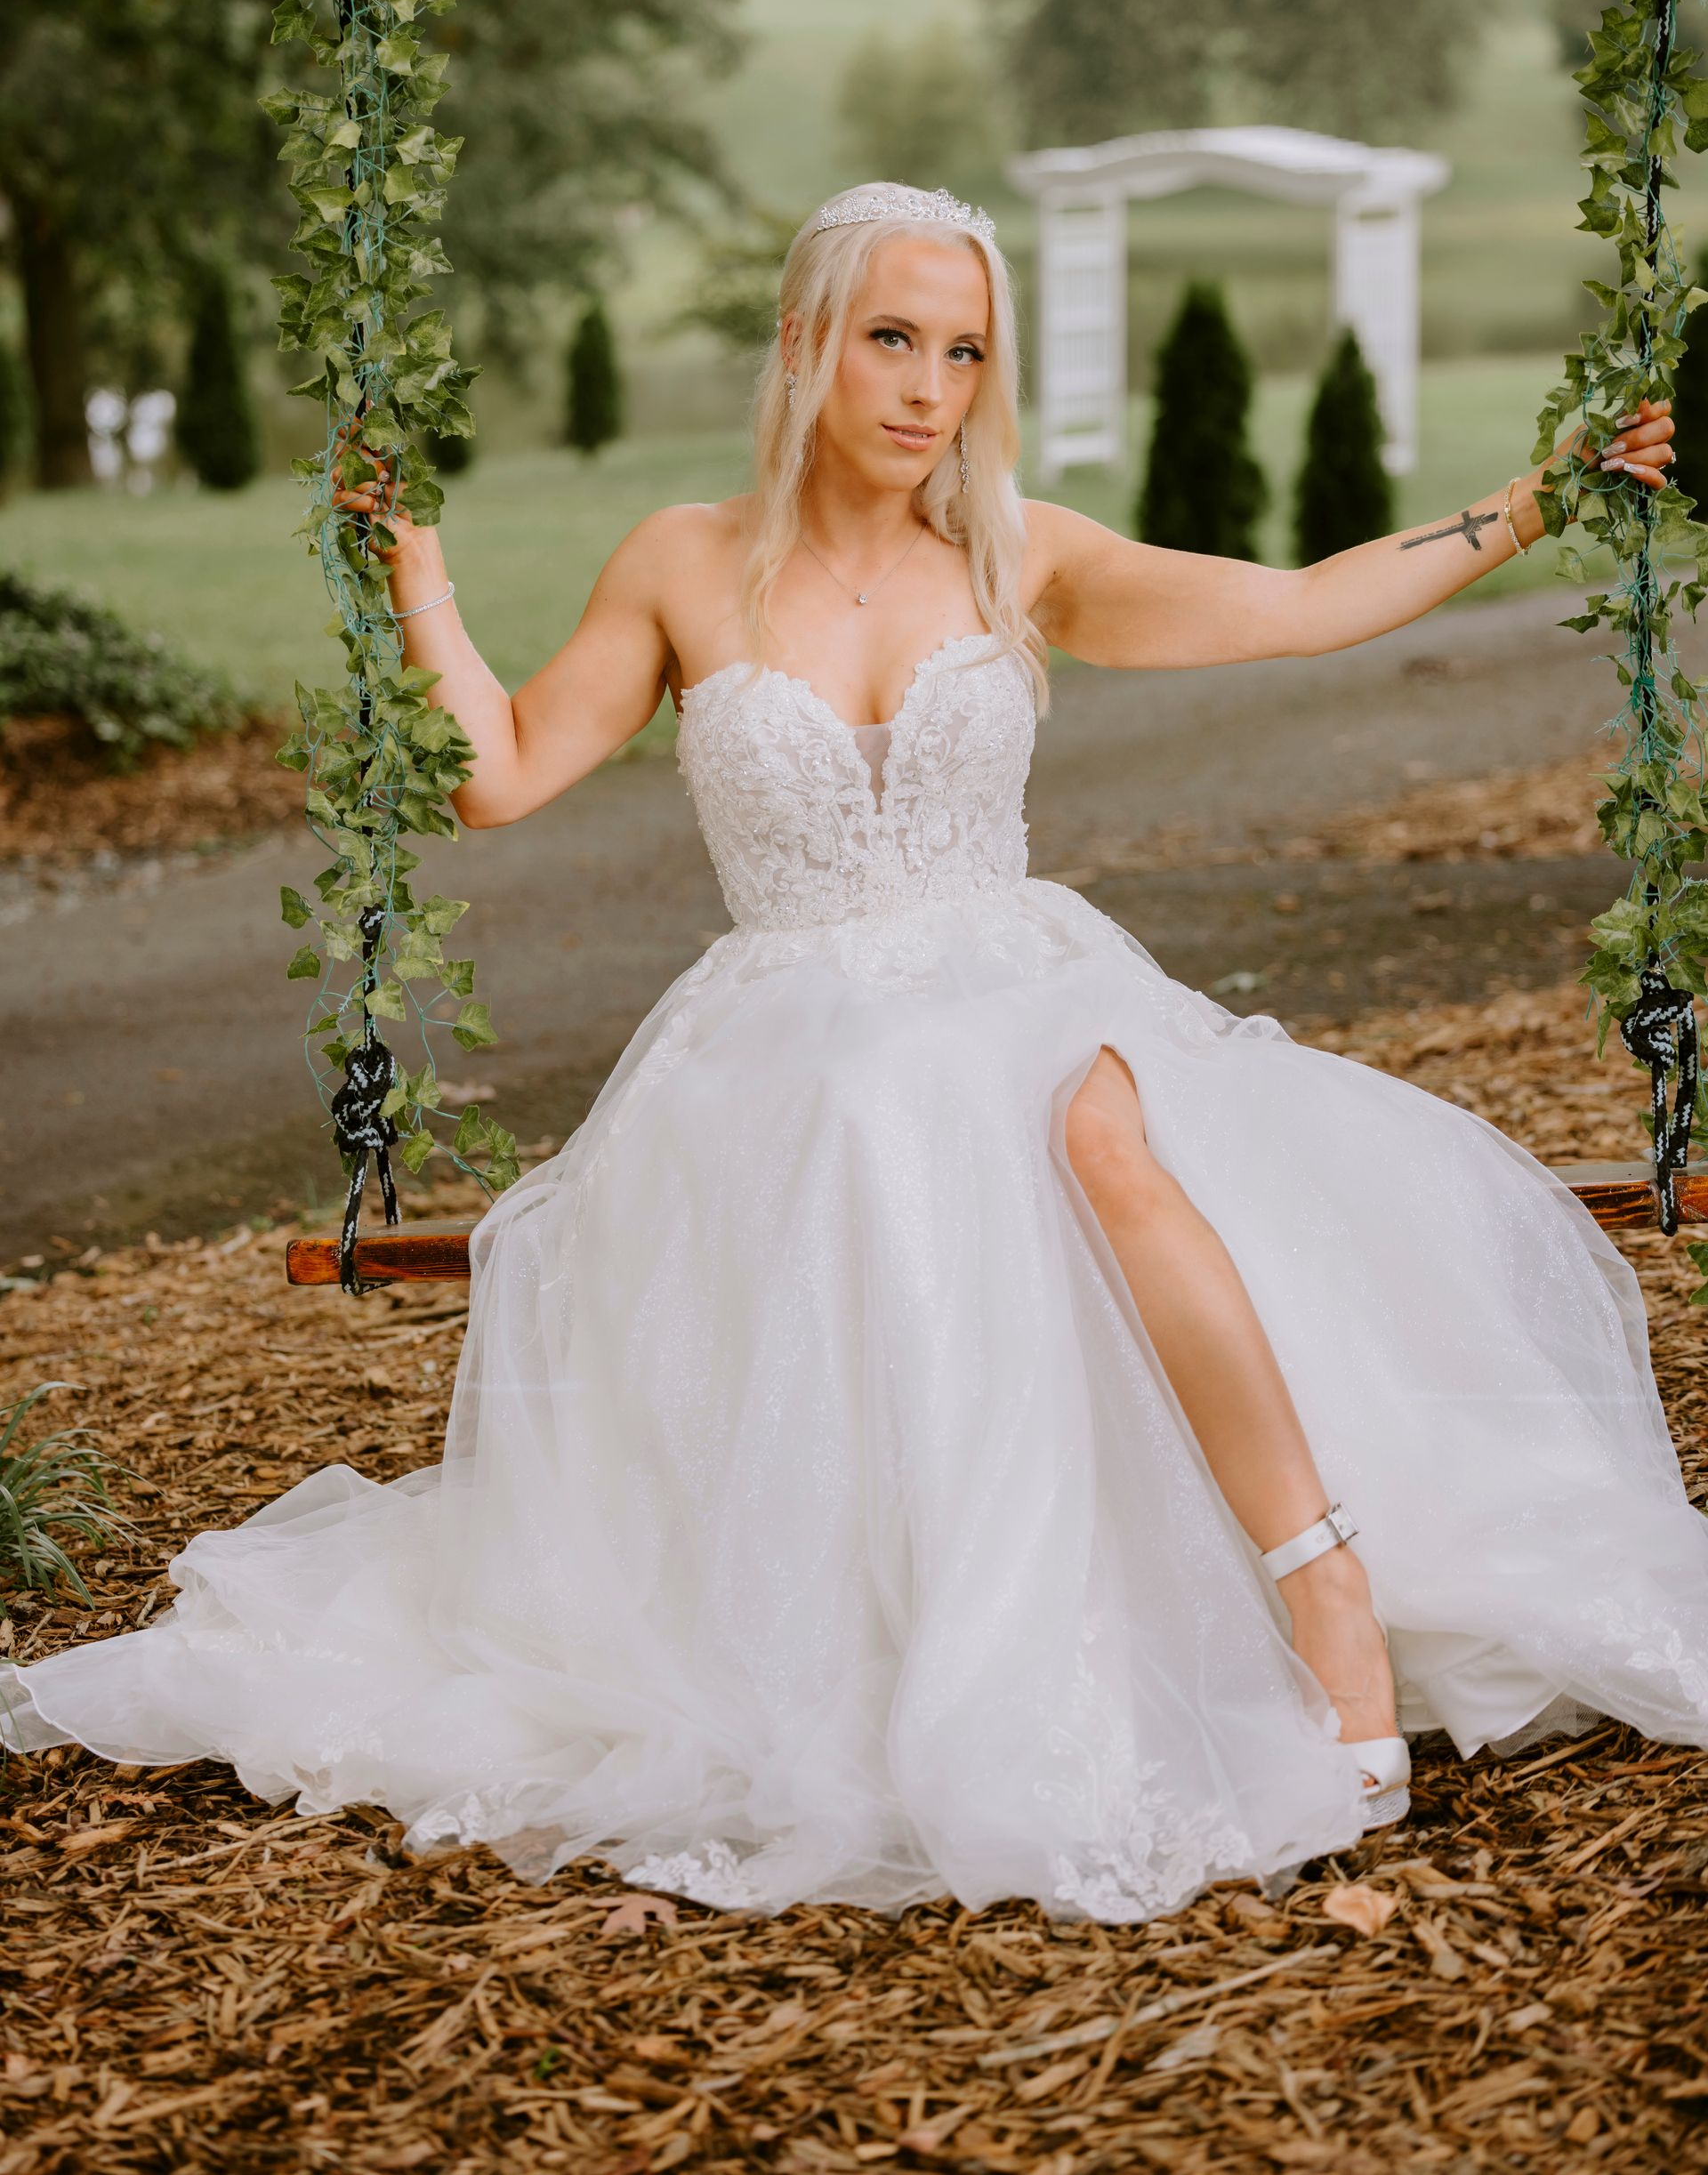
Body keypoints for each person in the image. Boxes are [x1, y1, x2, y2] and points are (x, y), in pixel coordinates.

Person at [6, 183, 1704, 1924]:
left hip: (1023, 978)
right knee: (887, 1114)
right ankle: (939, 1632)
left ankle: (1321, 1582)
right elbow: (499, 772)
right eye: (894, 338)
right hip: (790, 1040)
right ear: (808, 339)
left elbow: (1299, 603)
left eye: (963, 352)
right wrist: (417, 573)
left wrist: (1532, 499)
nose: (927, 388)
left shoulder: (1018, 552)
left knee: (1096, 1131)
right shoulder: (682, 563)